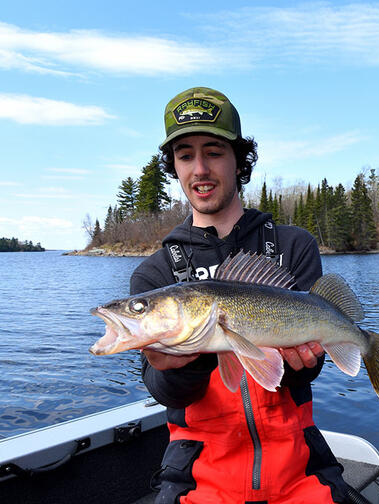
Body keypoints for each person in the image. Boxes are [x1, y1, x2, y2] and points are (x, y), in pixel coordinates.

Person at [131, 87, 350, 504]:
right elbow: (167, 392)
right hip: (199, 477)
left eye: (213, 151)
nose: (200, 169)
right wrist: (184, 359)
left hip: (299, 469)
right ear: (174, 167)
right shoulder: (155, 275)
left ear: (238, 159)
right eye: (185, 155)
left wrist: (304, 360)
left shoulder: (293, 246)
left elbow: (304, 375)